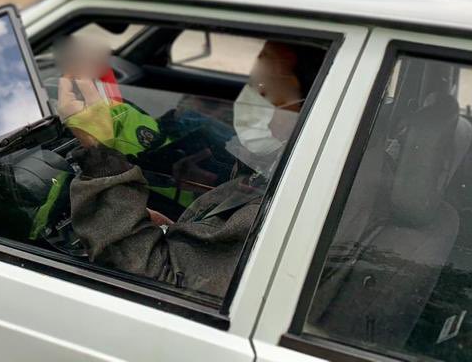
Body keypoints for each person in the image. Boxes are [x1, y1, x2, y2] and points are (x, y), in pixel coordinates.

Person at [66, 40, 325, 302]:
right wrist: (180, 227)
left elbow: (144, 280)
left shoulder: (289, 208)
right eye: (253, 80)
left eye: (267, 87)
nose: (254, 93)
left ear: (311, 104)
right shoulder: (296, 167)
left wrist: (99, 153)